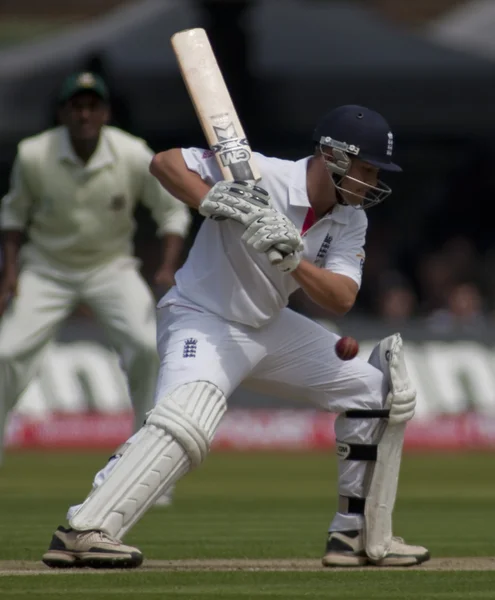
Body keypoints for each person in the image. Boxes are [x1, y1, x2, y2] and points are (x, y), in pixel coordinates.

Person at [42, 104, 429, 569]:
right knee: (189, 420)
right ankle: (84, 529)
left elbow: (342, 297)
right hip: (202, 315)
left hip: (267, 325)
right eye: (366, 169)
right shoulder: (260, 173)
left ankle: (355, 534)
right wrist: (216, 200)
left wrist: (294, 263)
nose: (371, 183)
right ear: (334, 156)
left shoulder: (352, 220)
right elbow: (164, 163)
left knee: (377, 393)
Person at [0, 72, 191, 464]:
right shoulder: (34, 153)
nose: (84, 115)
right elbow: (14, 215)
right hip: (47, 268)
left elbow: (171, 210)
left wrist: (168, 268)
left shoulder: (133, 153)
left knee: (146, 348)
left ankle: (146, 460)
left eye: (92, 107)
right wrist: (10, 272)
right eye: (76, 107)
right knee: (6, 353)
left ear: (105, 113)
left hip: (111, 267)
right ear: (63, 113)